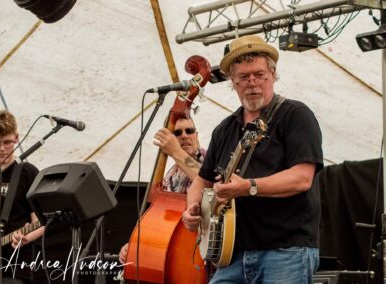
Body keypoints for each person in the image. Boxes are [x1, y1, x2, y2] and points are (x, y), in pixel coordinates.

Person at [182, 35, 323, 283]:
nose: (252, 83)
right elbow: (201, 182)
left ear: (273, 75)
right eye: (244, 77)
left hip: (285, 251)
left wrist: (247, 187)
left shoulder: (295, 115)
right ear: (232, 82)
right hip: (231, 255)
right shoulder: (224, 129)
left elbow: (302, 178)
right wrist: (193, 211)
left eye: (259, 75)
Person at [119, 117, 205, 264]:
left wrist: (176, 151)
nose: (184, 135)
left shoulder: (207, 160)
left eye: (189, 131)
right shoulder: (170, 176)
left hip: (199, 253)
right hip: (176, 253)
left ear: (196, 135)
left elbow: (205, 180)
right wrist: (136, 244)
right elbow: (159, 222)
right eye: (177, 133)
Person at [0, 110, 45, 284]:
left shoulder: (28, 173)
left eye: (7, 142)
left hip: (16, 264)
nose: (2, 149)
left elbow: (40, 221)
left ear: (17, 138)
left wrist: (28, 236)